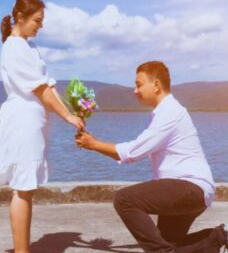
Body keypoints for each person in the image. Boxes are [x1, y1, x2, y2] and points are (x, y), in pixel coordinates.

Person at [76, 61, 228, 253]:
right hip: (190, 190)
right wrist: (94, 143)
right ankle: (217, 239)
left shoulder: (170, 112)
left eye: (138, 84)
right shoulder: (165, 112)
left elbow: (133, 152)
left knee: (124, 200)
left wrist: (93, 144)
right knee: (169, 245)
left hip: (189, 187)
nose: (134, 90)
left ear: (156, 85)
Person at [0, 0, 84, 253]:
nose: (41, 25)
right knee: (23, 187)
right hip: (23, 121)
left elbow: (49, 85)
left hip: (34, 121)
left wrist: (72, 110)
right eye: (37, 20)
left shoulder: (28, 46)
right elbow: (40, 89)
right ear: (20, 17)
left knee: (26, 188)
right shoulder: (14, 47)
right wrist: (67, 116)